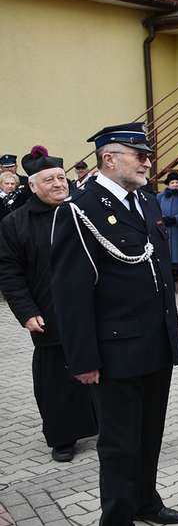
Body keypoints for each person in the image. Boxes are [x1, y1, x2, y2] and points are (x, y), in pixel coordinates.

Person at [50, 121, 178, 526]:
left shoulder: (144, 201)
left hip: (155, 343)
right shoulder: (80, 209)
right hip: (115, 351)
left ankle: (145, 501)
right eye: (139, 155)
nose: (148, 162)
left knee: (150, 434)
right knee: (119, 445)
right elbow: (71, 294)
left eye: (147, 155)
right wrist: (83, 358)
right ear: (109, 158)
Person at [0, 146, 98, 462]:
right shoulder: (15, 223)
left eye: (61, 177)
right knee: (57, 380)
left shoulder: (84, 210)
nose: (58, 184)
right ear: (32, 186)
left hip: (92, 309)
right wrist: (26, 312)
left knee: (101, 370)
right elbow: (9, 273)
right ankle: (63, 437)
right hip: (48, 313)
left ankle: (105, 425)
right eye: (49, 180)